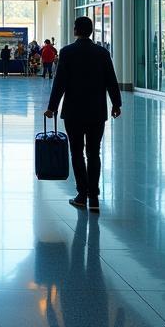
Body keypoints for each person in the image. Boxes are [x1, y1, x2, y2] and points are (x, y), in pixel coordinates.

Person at [46, 17, 122, 212]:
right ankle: (94, 197)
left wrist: (52, 107)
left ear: (75, 30)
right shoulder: (102, 53)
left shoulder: (67, 52)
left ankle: (82, 194)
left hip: (73, 112)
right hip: (97, 111)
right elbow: (111, 80)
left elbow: (60, 82)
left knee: (77, 152)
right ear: (91, 32)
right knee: (94, 152)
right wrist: (116, 104)